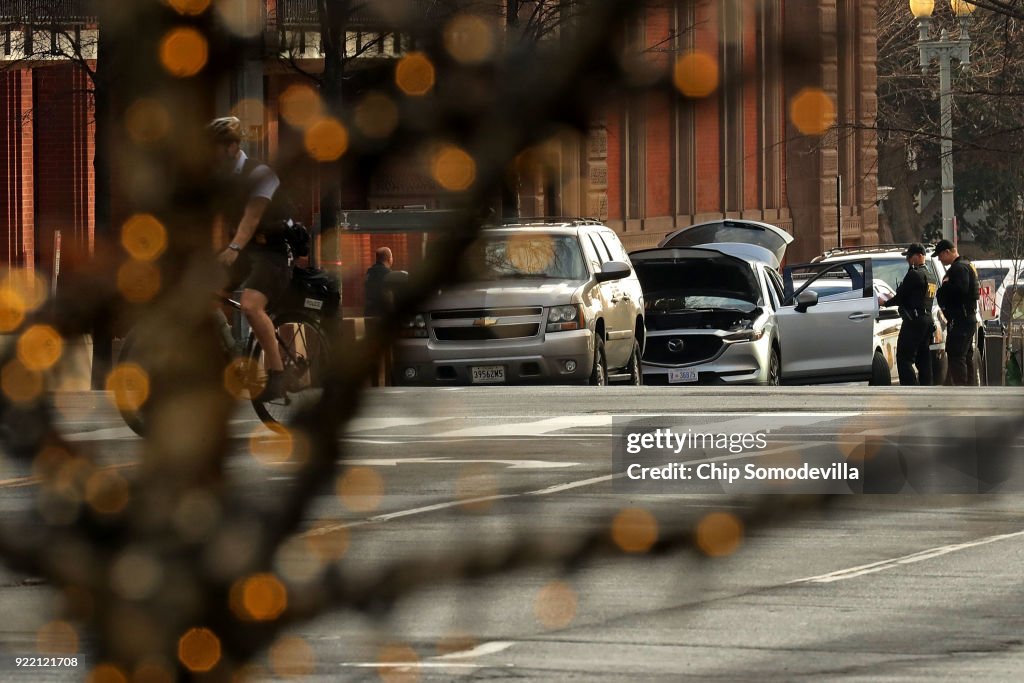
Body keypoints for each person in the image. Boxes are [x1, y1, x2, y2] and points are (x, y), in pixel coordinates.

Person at [208, 116, 292, 400]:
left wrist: (232, 249)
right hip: (243, 250)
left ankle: (278, 376)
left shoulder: (260, 174)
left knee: (251, 306)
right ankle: (230, 357)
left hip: (273, 252)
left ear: (232, 147)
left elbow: (251, 218)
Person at [882, 243, 933, 385]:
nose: (908, 261)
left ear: (919, 256)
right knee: (923, 358)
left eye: (910, 257)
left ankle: (910, 389)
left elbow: (901, 296)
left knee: (904, 358)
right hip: (927, 320)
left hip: (914, 320)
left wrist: (884, 302)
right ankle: (926, 388)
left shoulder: (914, 274)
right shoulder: (930, 275)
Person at [934, 238, 980, 386]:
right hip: (968, 316)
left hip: (962, 318)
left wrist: (943, 289)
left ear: (947, 252)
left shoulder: (958, 268)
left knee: (956, 354)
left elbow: (961, 290)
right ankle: (969, 387)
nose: (940, 259)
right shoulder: (968, 264)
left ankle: (961, 388)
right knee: (965, 354)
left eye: (940, 255)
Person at [364, 247, 394, 317]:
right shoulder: (388, 273)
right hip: (382, 312)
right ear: (389, 259)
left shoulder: (369, 271)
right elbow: (390, 295)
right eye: (392, 256)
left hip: (369, 311)